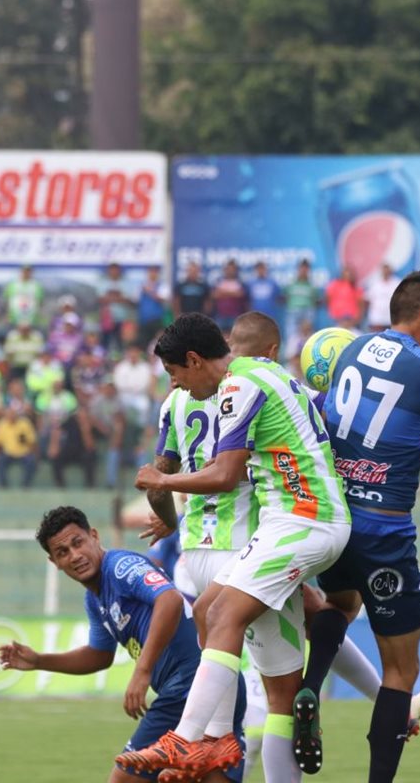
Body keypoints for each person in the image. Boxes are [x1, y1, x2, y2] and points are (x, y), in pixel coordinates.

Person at [140, 312, 392, 782]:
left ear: (195, 360)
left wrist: (163, 479)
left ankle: (192, 738)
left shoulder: (239, 384)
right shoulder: (277, 375)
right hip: (291, 523)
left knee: (223, 616)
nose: (176, 385)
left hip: (301, 521)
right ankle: (222, 734)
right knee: (223, 624)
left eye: (176, 374)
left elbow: (225, 475)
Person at [295, 272, 420, 781]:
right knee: (402, 672)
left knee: (342, 604)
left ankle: (310, 683)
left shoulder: (351, 349)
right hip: (385, 529)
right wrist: (409, 441)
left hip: (336, 522)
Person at [0, 506, 246, 783]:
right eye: (63, 552)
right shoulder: (95, 600)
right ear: (54, 561)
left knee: (125, 779)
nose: (74, 555)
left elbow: (169, 600)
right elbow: (99, 655)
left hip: (190, 682)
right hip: (213, 685)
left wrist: (142, 671)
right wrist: (40, 661)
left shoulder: (119, 566)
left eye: (77, 542)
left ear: (94, 535)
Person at [0, 406, 38, 488]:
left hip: (24, 453)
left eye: (13, 414)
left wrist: (34, 454)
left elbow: (32, 442)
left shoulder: (25, 423)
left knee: (31, 462)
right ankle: (3, 485)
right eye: (9, 414)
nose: (11, 416)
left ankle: (25, 485)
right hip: (8, 453)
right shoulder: (2, 424)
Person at [284, 260, 320, 342]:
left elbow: (316, 299)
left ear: (308, 270)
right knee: (291, 334)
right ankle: (291, 353)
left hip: (308, 311)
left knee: (308, 335)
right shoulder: (291, 283)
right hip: (293, 310)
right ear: (298, 269)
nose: (303, 271)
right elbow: (285, 296)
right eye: (302, 268)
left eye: (306, 269)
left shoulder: (312, 285)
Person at [210, 260, 249, 333]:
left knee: (235, 339)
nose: (230, 271)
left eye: (233, 269)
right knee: (219, 338)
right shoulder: (218, 281)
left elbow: (241, 294)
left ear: (236, 270)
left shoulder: (240, 282)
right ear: (225, 269)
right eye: (228, 269)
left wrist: (223, 292)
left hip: (236, 315)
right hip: (220, 315)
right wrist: (233, 293)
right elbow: (214, 295)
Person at [364, 263, 401, 333]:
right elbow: (367, 299)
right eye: (384, 270)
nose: (386, 272)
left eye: (387, 270)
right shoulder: (374, 283)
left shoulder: (397, 283)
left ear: (391, 271)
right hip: (377, 319)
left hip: (391, 319)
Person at [247, 262, 284, 327]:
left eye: (263, 269)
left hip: (270, 315)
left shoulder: (272, 283)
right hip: (256, 315)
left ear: (266, 270)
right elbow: (248, 299)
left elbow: (279, 297)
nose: (261, 271)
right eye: (259, 269)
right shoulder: (251, 283)